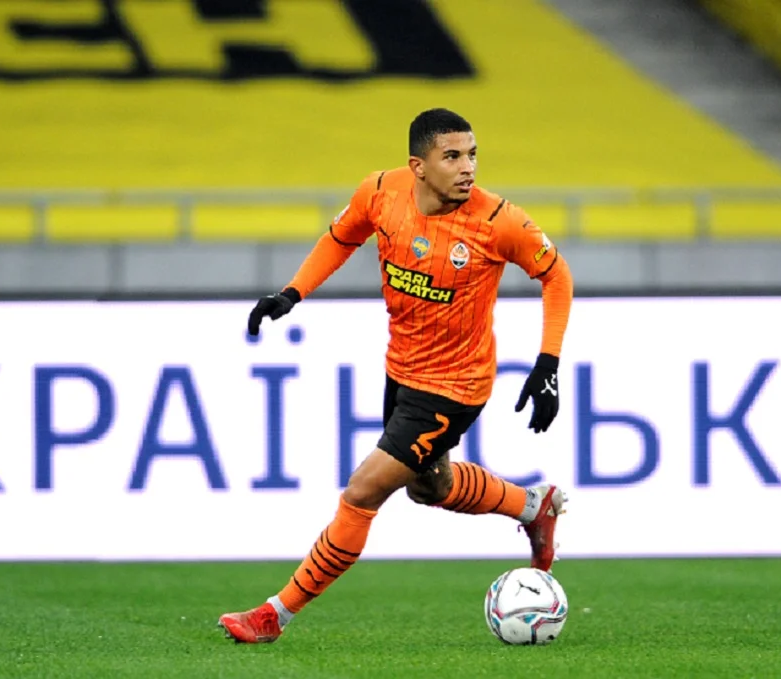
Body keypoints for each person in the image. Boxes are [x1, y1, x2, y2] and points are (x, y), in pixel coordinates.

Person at [218, 108, 575, 644]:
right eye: (452, 156)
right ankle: (532, 506)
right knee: (430, 487)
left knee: (362, 492)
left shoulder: (499, 221)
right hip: (402, 371)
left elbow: (557, 275)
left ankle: (274, 615)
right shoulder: (381, 193)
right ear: (418, 166)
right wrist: (292, 293)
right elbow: (342, 237)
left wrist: (547, 364)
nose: (468, 167)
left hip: (455, 386)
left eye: (472, 155)